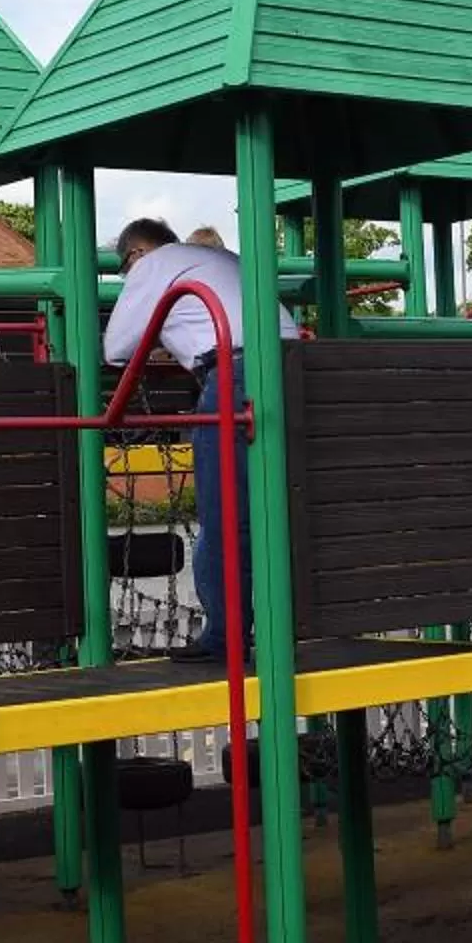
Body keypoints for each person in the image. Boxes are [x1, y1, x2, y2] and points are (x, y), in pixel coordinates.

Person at [104, 218, 300, 659]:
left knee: (225, 512)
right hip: (297, 366)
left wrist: (156, 340)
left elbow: (115, 349)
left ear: (136, 253)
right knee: (286, 502)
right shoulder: (221, 259)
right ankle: (288, 626)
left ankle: (225, 636)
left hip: (237, 373)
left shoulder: (152, 265)